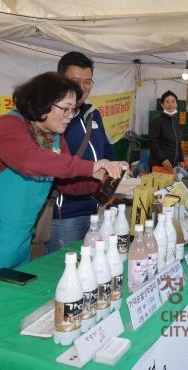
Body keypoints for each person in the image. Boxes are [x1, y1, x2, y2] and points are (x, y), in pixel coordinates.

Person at [0, 72, 124, 301]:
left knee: (4, 314)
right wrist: (90, 167)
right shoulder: (7, 127)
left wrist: (100, 180)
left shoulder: (53, 138)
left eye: (74, 109)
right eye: (66, 108)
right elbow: (30, 162)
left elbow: (68, 184)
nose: (71, 116)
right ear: (42, 104)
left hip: (14, 243)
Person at [45, 52, 123, 254]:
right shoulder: (51, 118)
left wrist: (116, 168)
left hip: (97, 207)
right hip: (65, 214)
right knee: (63, 270)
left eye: (88, 82)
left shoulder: (92, 113)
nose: (82, 87)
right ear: (60, 79)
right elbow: (57, 166)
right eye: (75, 81)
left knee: (94, 269)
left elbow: (107, 149)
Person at [148, 90, 184, 172]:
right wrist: (163, 159)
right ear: (162, 105)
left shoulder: (176, 122)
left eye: (173, 102)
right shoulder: (156, 122)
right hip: (159, 166)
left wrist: (181, 159)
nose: (170, 104)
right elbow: (152, 142)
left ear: (176, 104)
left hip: (173, 166)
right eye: (167, 102)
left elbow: (178, 143)